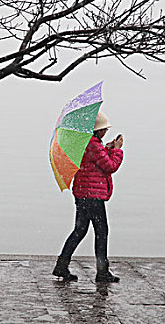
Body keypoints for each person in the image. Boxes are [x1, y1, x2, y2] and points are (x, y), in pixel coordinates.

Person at [52, 111, 124, 282]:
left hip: (83, 194)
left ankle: (61, 266)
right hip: (93, 196)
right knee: (102, 232)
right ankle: (102, 272)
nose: (106, 131)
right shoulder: (93, 145)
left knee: (80, 230)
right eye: (104, 129)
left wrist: (108, 148)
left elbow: (96, 157)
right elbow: (109, 166)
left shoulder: (87, 142)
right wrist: (118, 151)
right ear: (98, 131)